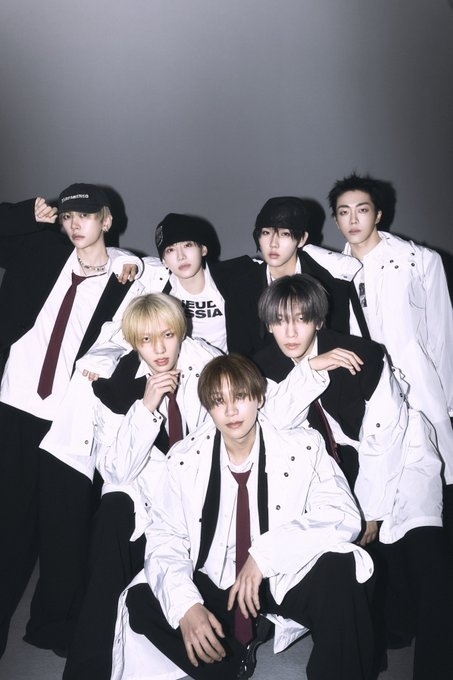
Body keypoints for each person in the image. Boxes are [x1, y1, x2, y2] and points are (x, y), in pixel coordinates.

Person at [63, 292, 331, 680]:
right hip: (141, 493)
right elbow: (117, 471)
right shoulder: (117, 382)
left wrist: (311, 370)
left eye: (168, 335)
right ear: (134, 342)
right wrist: (145, 408)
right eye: (146, 340)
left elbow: (258, 410)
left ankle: (234, 644)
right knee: (111, 524)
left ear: (182, 332)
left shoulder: (206, 361)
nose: (159, 349)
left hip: (199, 491)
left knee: (205, 562)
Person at [124, 353, 376, 680]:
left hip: (280, 573)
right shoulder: (183, 460)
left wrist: (264, 556)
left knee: (343, 570)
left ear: (259, 398)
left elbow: (342, 513)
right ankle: (229, 665)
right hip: (220, 577)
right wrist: (186, 607)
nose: (231, 411)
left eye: (240, 397)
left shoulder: (303, 445)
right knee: (141, 600)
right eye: (219, 401)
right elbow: (165, 537)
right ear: (208, 408)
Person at [254, 273, 452, 680]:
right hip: (338, 469)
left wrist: (372, 511)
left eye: (301, 319)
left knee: (431, 562)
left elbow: (386, 435)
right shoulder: (262, 365)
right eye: (280, 321)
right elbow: (273, 424)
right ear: (269, 324)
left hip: (404, 457)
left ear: (318, 320)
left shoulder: (363, 354)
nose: (290, 332)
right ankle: (372, 650)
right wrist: (312, 369)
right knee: (355, 566)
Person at [0, 184, 143, 657]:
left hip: (68, 417)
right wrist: (27, 214)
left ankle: (51, 626)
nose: (75, 223)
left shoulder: (128, 277)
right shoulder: (40, 255)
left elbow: (165, 273)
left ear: (107, 220)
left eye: (86, 215)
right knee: (8, 522)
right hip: (15, 405)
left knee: (65, 528)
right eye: (67, 216)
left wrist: (133, 262)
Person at [327, 172, 453, 543]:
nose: (353, 219)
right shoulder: (331, 272)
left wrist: (447, 403)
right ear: (335, 219)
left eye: (362, 210)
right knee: (379, 502)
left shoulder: (419, 260)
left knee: (429, 502)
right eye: (344, 212)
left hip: (421, 394)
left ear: (378, 214)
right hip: (367, 397)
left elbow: (442, 335)